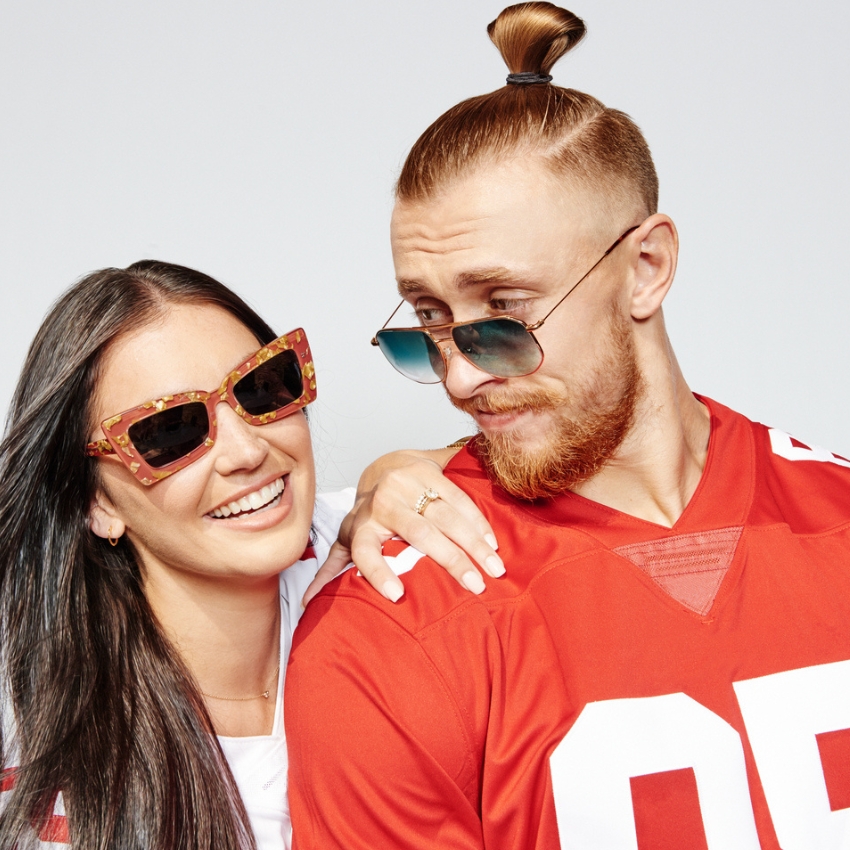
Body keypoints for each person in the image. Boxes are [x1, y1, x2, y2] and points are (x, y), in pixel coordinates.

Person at [285, 4, 850, 848]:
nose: (461, 377)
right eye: (430, 323)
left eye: (504, 313)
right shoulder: (388, 623)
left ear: (646, 269)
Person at [0, 259, 497, 849]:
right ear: (95, 504)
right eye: (168, 431)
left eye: (263, 387)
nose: (245, 451)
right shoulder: (51, 768)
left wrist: (398, 472)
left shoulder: (371, 536)